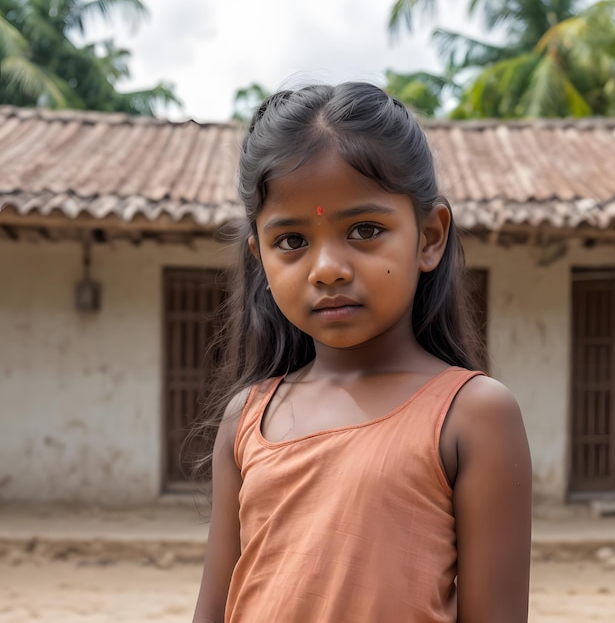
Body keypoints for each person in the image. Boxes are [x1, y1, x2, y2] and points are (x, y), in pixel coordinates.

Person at [192, 82, 532, 623]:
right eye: (292, 241)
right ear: (260, 258)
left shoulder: (472, 416)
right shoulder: (248, 418)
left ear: (428, 237)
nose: (327, 267)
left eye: (365, 230)